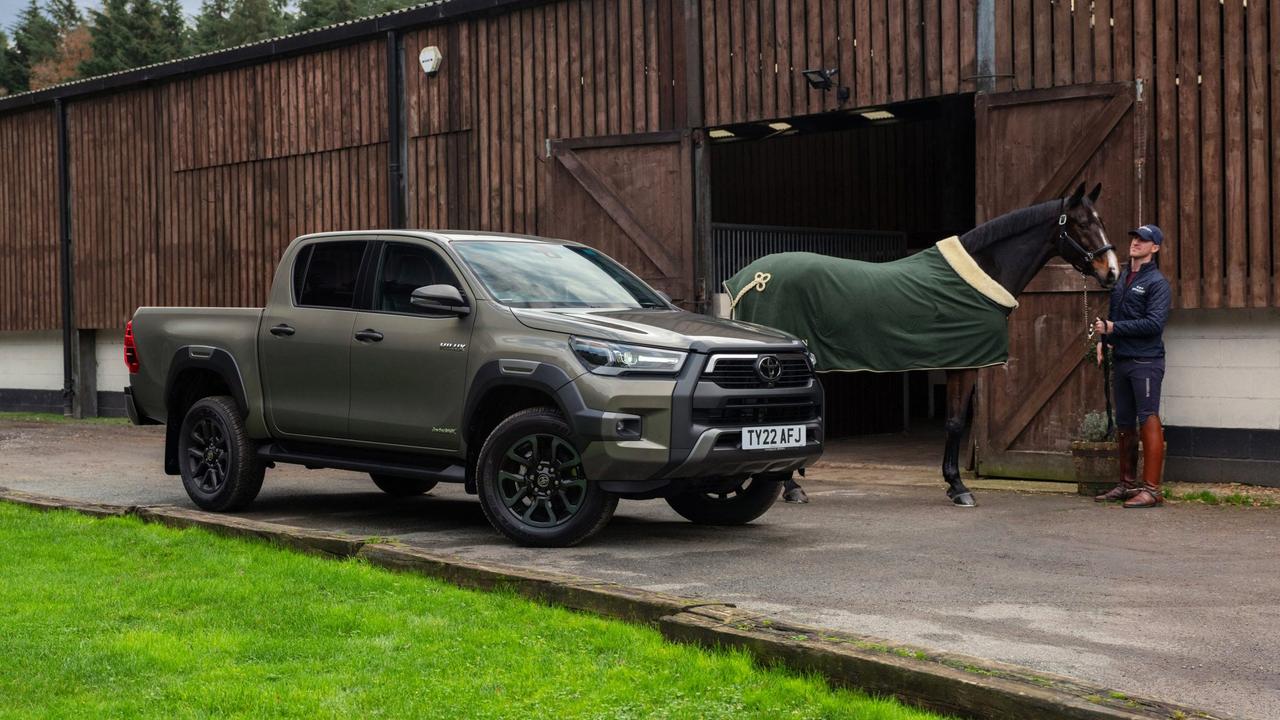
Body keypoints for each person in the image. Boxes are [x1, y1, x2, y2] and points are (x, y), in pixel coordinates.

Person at [1092, 224, 1172, 508]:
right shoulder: (1123, 278)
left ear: (1155, 248)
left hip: (1146, 361)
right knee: (1124, 422)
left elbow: (1154, 324)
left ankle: (1152, 490)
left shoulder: (1157, 283)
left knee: (1147, 416)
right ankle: (1127, 485)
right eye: (1134, 238)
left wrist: (1114, 326)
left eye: (1143, 240)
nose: (1136, 242)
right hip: (1123, 360)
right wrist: (1105, 340)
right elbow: (1114, 316)